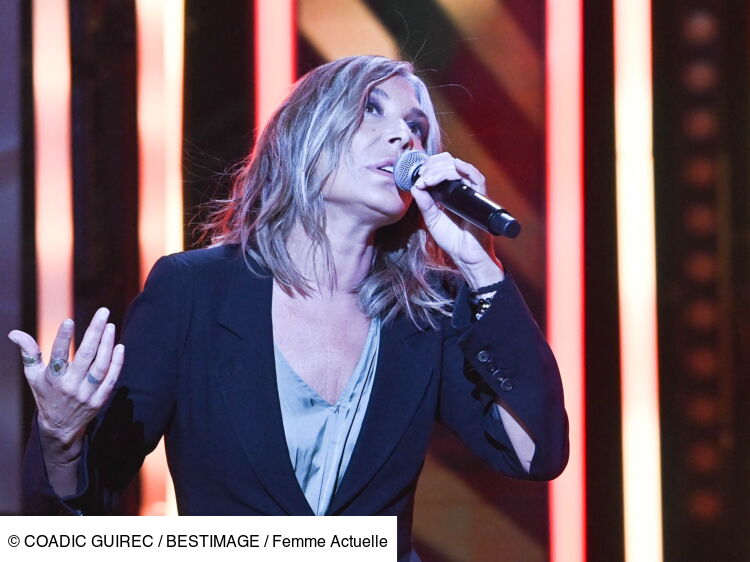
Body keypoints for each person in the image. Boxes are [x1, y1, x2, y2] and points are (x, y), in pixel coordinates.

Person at [9, 55, 568, 561]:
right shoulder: (194, 291)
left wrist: (478, 266)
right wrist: (61, 437)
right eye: (371, 109)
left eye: (417, 126)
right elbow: (70, 523)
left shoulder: (425, 312)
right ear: (305, 135)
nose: (404, 135)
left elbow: (536, 453)